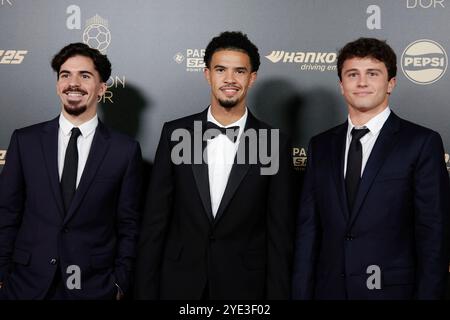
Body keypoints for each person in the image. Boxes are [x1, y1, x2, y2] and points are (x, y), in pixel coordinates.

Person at [135, 31, 295, 300]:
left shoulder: (273, 142)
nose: (230, 80)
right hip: (178, 284)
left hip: (245, 288)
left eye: (239, 71)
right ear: (207, 74)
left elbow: (280, 233)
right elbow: (154, 222)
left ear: (252, 78)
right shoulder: (175, 134)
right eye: (221, 70)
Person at [292, 37, 450, 300]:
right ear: (342, 85)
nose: (362, 82)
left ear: (391, 83)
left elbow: (434, 234)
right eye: (352, 74)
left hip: (392, 292)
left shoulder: (421, 142)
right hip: (328, 291)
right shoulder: (320, 145)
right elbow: (309, 231)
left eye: (372, 74)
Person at [0, 43, 142, 300]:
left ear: (101, 89)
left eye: (84, 76)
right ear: (57, 85)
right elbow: (6, 214)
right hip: (25, 285)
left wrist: (120, 283)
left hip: (94, 287)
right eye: (65, 75)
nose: (73, 83)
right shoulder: (25, 141)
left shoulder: (125, 150)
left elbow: (129, 225)